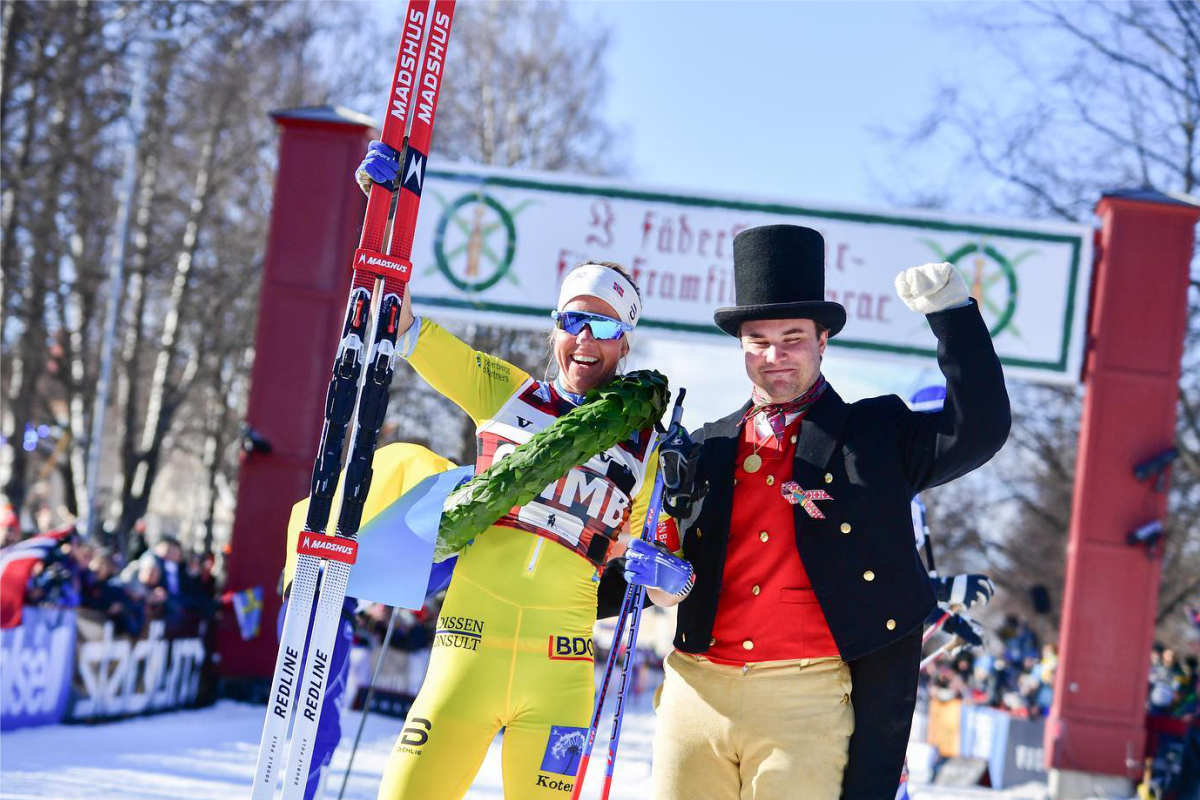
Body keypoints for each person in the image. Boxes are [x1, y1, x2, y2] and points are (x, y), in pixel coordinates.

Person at [286, 143, 693, 800]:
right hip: (462, 657)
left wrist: (666, 573)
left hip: (560, 676)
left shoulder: (645, 447)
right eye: (573, 320)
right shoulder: (509, 395)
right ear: (555, 326)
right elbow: (402, 325)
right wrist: (381, 217)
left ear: (626, 342)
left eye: (603, 326)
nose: (584, 341)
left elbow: (669, 581)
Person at [650, 224, 1011, 800]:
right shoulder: (704, 446)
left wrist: (954, 319)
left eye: (793, 338)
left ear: (824, 340)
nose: (775, 356)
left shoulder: (872, 435)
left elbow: (978, 430)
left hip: (807, 703)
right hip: (696, 694)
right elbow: (659, 561)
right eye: (758, 340)